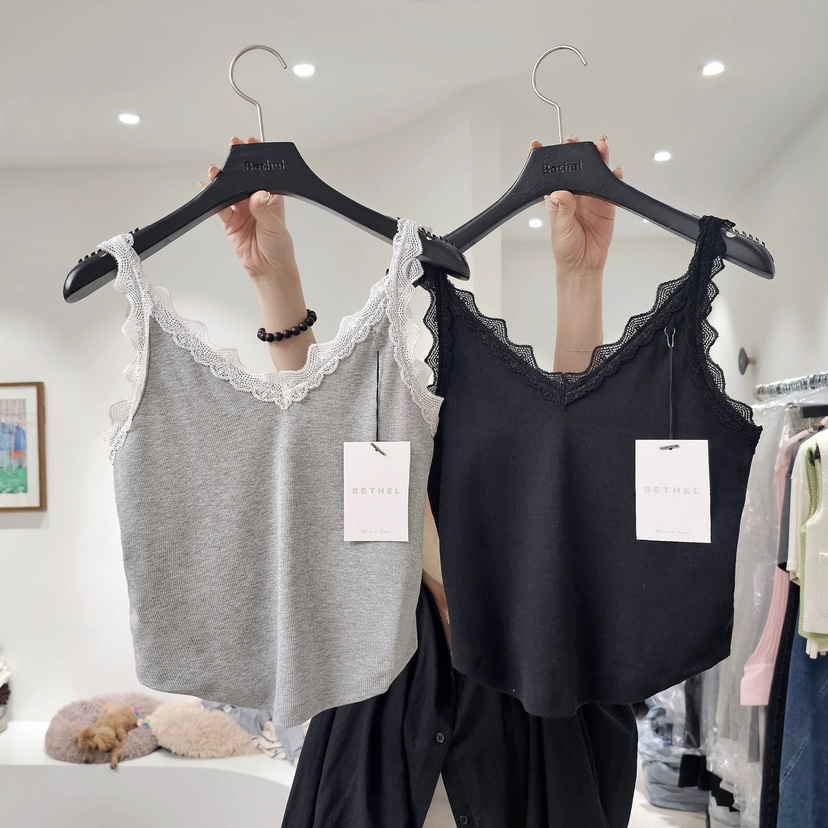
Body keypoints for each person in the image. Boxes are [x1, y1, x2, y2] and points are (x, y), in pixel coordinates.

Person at [203, 134, 623, 640]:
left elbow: (568, 427)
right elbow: (316, 416)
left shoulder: (518, 501)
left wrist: (581, 276)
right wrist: (273, 278)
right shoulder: (383, 521)